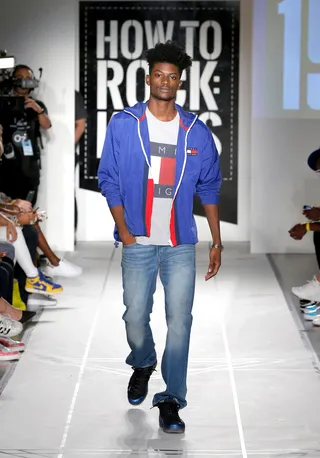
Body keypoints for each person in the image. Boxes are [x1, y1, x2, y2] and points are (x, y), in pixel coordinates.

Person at [98, 41, 222, 434]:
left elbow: (211, 188)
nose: (165, 82)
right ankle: (144, 359)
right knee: (135, 317)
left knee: (180, 321)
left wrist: (216, 242)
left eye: (172, 77)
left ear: (180, 82)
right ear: (147, 77)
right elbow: (109, 179)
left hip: (179, 242)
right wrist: (123, 230)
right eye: (158, 75)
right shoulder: (124, 124)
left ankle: (171, 399)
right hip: (137, 238)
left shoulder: (195, 129)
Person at [0, 65, 51, 205]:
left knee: (27, 211)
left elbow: (47, 125)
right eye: (20, 78)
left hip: (29, 168)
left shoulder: (37, 105)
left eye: (28, 78)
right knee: (7, 211)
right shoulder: (3, 103)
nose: (24, 82)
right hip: (5, 168)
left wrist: (38, 110)